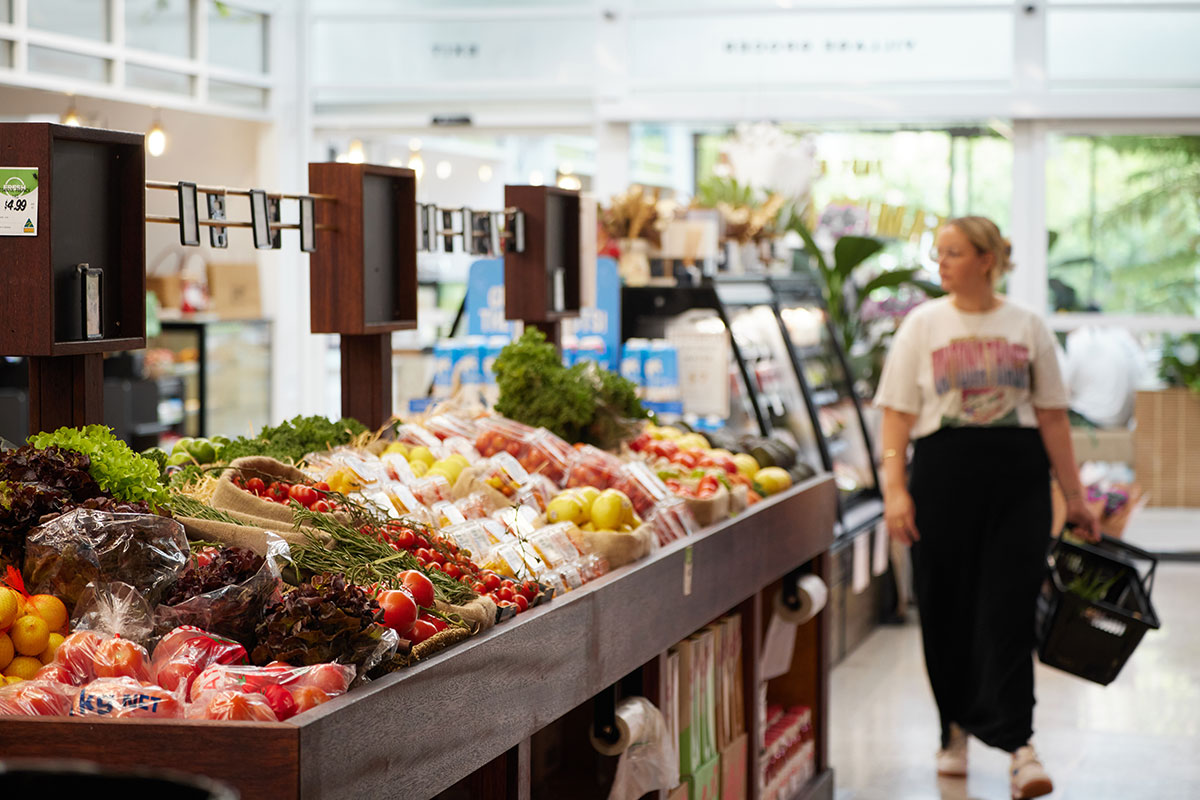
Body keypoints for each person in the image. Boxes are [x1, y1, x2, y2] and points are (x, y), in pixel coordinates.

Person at [873, 216, 1099, 800]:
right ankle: (954, 728)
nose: (942, 263)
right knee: (945, 606)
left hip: (1016, 482)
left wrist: (1075, 499)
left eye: (953, 253)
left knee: (1009, 606)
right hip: (942, 480)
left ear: (987, 260)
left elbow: (1052, 416)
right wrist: (895, 488)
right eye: (939, 253)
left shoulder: (1027, 326)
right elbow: (896, 414)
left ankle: (1020, 744)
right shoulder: (922, 325)